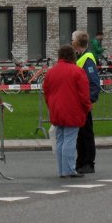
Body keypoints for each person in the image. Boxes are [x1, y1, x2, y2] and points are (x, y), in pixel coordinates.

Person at [43, 44, 91, 179]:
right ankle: (69, 169)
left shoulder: (51, 72)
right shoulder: (77, 71)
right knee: (70, 140)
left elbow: (46, 91)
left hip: (56, 109)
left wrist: (50, 106)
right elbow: (84, 93)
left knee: (60, 140)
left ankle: (61, 170)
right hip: (72, 109)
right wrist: (87, 107)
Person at [72, 30, 101, 174]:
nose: (71, 42)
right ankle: (81, 161)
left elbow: (94, 83)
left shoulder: (87, 59)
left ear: (76, 42)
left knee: (86, 134)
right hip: (78, 104)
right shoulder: (80, 57)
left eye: (73, 39)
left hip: (84, 104)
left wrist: (91, 101)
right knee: (81, 135)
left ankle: (88, 162)